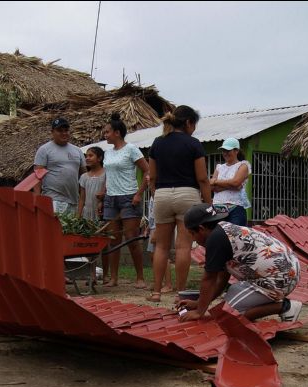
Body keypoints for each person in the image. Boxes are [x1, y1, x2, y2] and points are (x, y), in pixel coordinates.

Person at [176, 204, 303, 323]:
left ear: (201, 229)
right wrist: (199, 303)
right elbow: (221, 278)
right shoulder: (223, 231)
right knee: (232, 293)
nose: (193, 239)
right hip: (288, 269)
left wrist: (199, 312)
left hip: (280, 276)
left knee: (226, 316)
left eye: (192, 234)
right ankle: (270, 301)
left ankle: (285, 307)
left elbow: (209, 279)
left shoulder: (215, 239)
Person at [147, 105, 212, 302]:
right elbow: (202, 178)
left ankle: (156, 292)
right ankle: (180, 294)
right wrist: (209, 204)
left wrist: (157, 194)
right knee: (183, 247)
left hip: (162, 195)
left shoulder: (158, 143)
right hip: (187, 194)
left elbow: (152, 177)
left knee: (161, 247)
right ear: (188, 123)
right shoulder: (193, 144)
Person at [101, 113, 150, 288]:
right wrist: (103, 193)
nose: (105, 135)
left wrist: (139, 194)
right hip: (110, 199)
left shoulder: (131, 149)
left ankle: (140, 278)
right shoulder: (107, 153)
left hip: (129, 197)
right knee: (113, 240)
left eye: (107, 132)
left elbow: (147, 171)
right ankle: (114, 278)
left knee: (131, 238)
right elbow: (108, 175)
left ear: (117, 133)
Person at [33, 117, 86, 214]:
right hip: (53, 200)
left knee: (71, 225)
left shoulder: (77, 150)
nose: (64, 133)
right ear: (52, 132)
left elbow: (84, 175)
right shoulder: (44, 149)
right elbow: (37, 176)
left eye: (66, 130)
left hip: (73, 201)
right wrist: (37, 198)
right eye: (60, 131)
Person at [211, 137, 251, 226]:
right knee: (218, 234)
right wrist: (232, 185)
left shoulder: (243, 165)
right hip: (218, 208)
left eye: (228, 150)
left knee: (234, 234)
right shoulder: (219, 167)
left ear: (236, 151)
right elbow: (213, 187)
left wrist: (215, 181)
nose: (225, 153)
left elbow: (236, 183)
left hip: (235, 208)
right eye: (223, 151)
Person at [145, 194, 173, 293]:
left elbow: (161, 214)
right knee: (153, 256)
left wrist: (156, 230)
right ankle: (157, 282)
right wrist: (148, 227)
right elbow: (151, 214)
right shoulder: (153, 195)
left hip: (158, 227)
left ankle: (168, 284)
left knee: (161, 255)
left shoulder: (160, 194)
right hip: (153, 226)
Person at [77, 146, 106, 221]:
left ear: (99, 158)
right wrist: (78, 217)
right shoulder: (84, 177)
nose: (87, 158)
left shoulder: (106, 174)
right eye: (86, 156)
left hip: (102, 211)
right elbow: (82, 199)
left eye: (90, 156)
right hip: (87, 214)